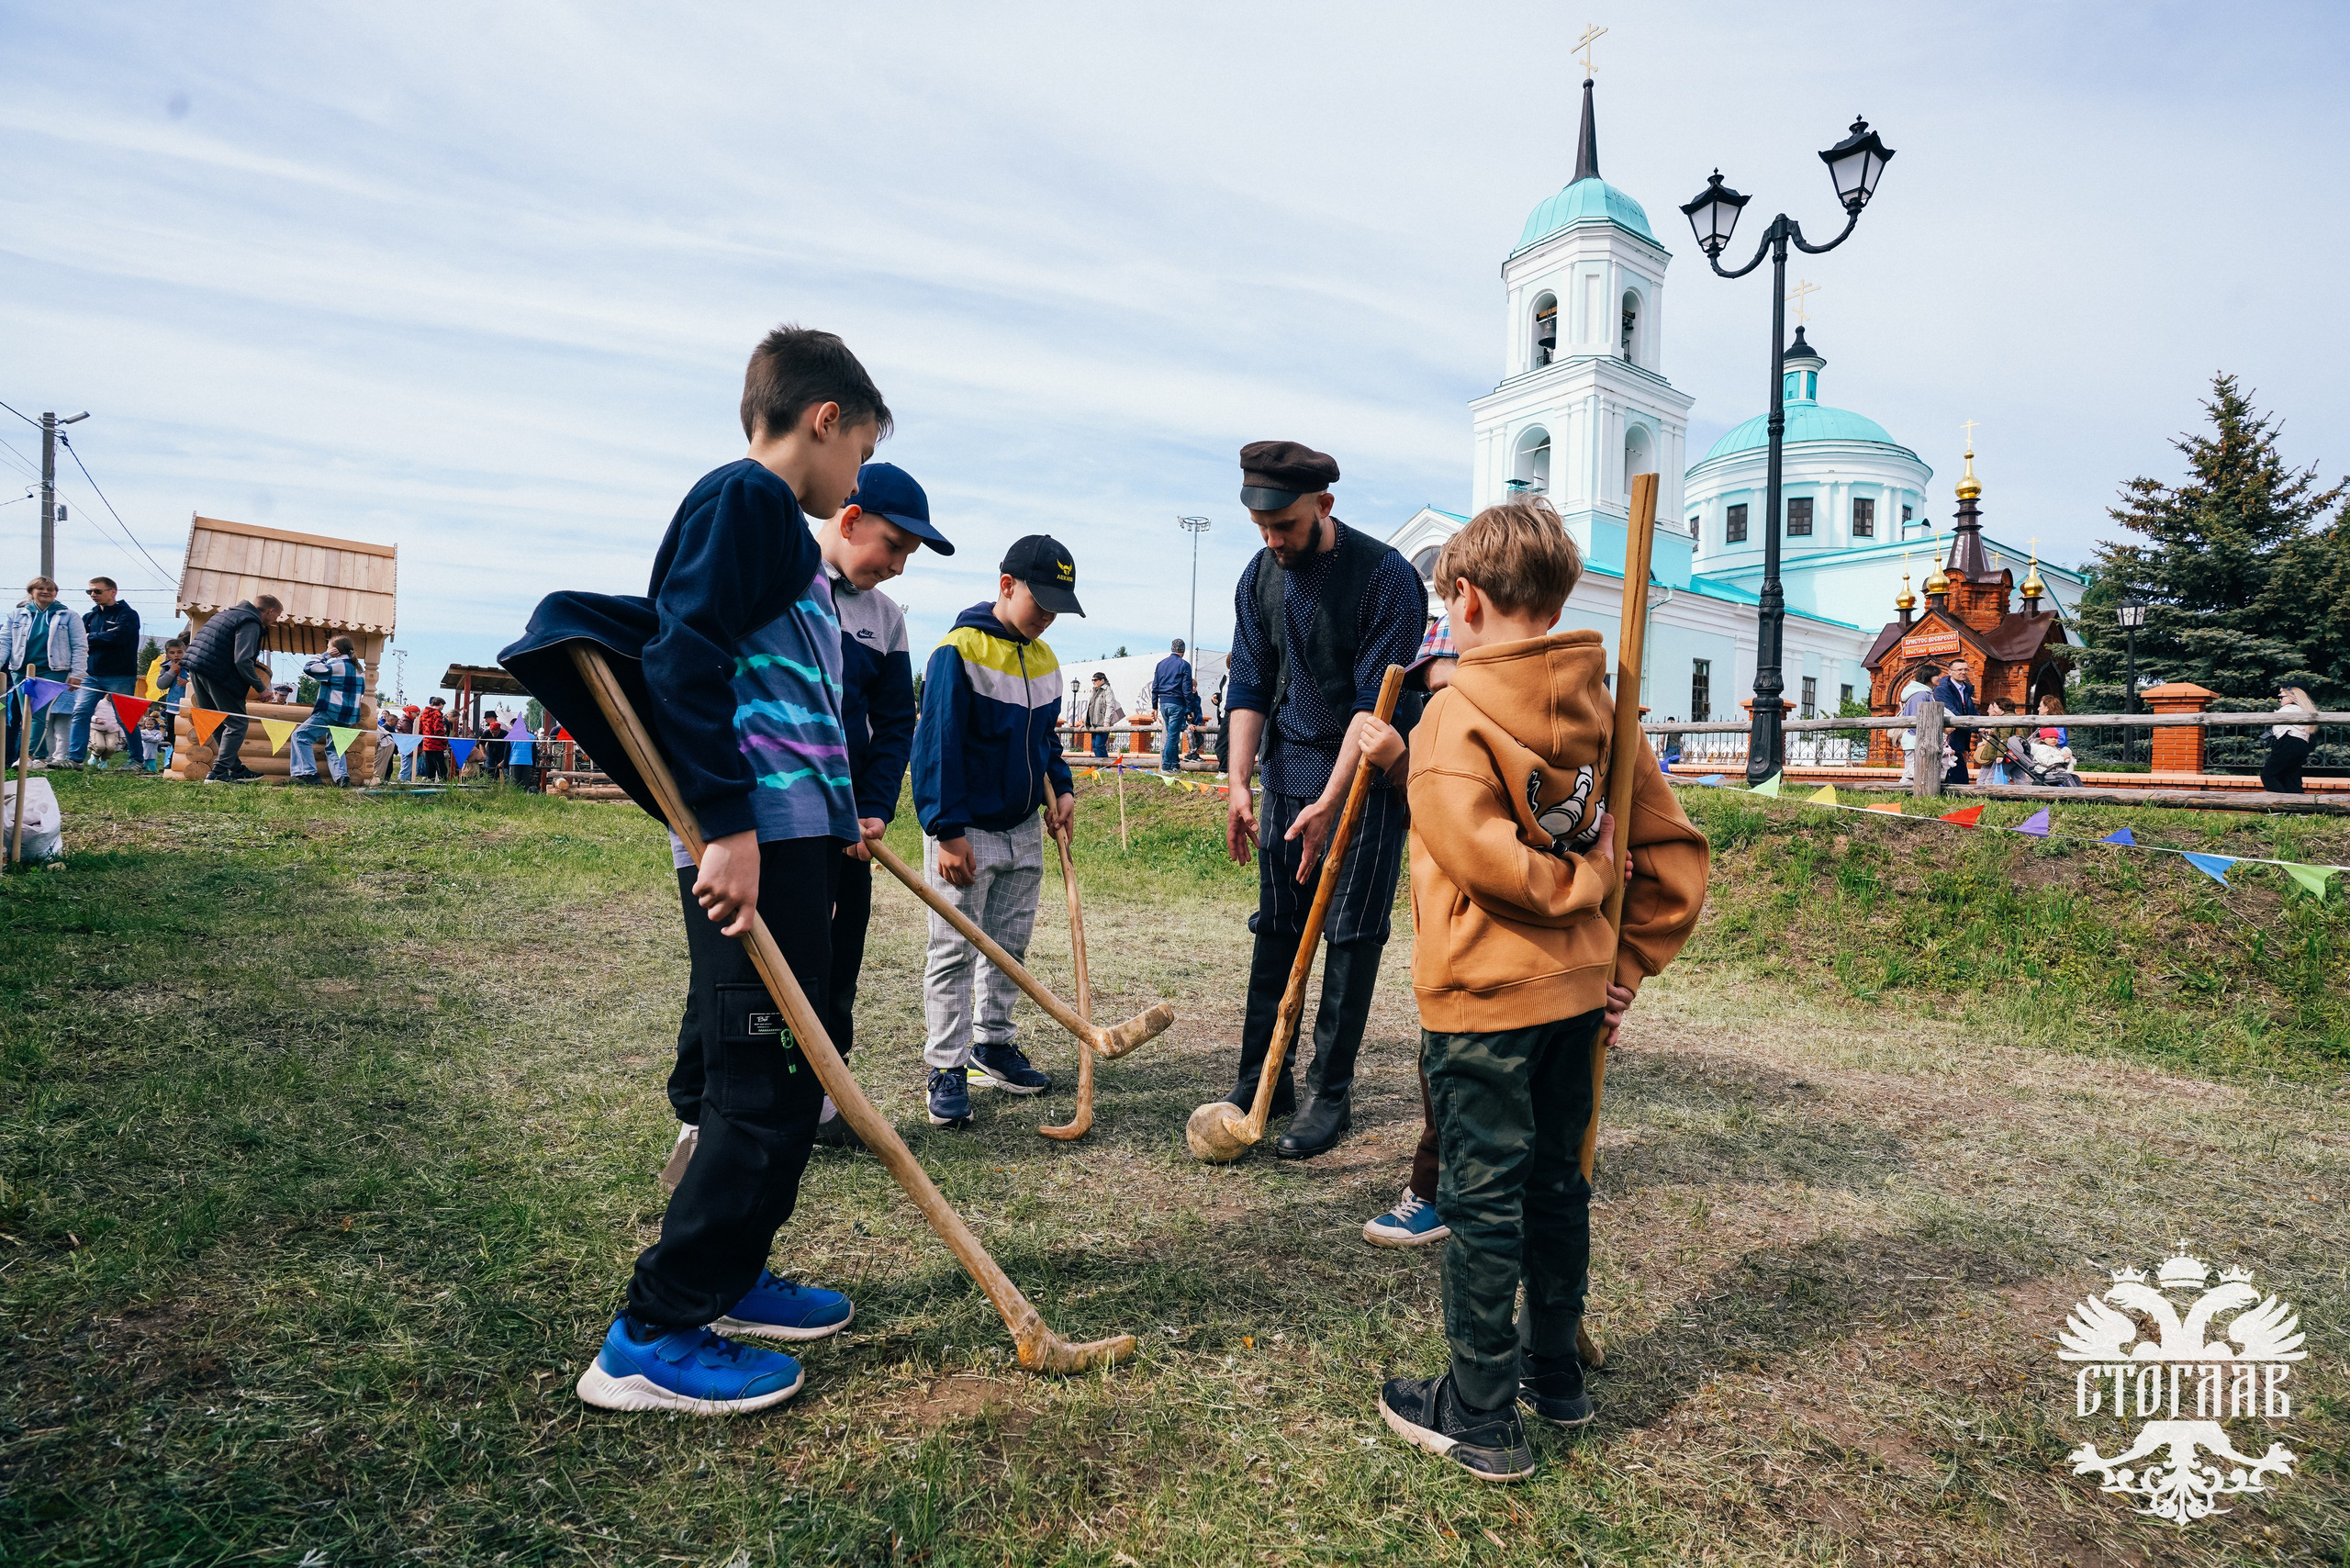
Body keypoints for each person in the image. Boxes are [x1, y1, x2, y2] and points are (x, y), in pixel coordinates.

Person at [506, 324, 888, 1416]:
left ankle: (734, 1277)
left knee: (795, 1072)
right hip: (749, 843)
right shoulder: (748, 501)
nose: (856, 476)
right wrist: (725, 826)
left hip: (798, 838)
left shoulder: (786, 536)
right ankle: (654, 1332)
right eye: (859, 453)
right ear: (826, 420)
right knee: (758, 1085)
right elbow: (682, 653)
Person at [1351, 498, 1707, 1481]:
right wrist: (1622, 962)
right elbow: (1673, 855)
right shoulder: (1609, 705)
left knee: (1483, 1196)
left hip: (1483, 1005)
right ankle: (1554, 1372)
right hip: (1577, 1001)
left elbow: (1489, 863)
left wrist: (1585, 880)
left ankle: (1477, 1410)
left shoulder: (1450, 717)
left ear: (1462, 599)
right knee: (1558, 1183)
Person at [662, 460, 950, 1175]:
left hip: (845, 826)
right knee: (738, 967)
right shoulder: (783, 583)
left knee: (832, 958)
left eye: (909, 556)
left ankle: (825, 1089)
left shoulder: (886, 620)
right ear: (849, 521)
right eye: (892, 546)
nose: (897, 567)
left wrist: (874, 809)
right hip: (772, 817)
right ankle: (701, 1096)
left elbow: (893, 723)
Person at [1221, 440, 1425, 1160]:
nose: (1274, 540)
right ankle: (1260, 1081)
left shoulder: (1387, 580)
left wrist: (1335, 802)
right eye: (1262, 528)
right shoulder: (1259, 576)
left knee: (1350, 932)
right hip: (1288, 772)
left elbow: (1376, 714)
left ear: (1324, 507)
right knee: (1277, 925)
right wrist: (1242, 781)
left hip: (1365, 781)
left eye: (1286, 526)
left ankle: (1327, 1096)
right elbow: (1249, 680)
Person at [910, 534, 1081, 1127]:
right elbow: (936, 747)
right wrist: (946, 830)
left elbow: (1046, 744)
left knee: (1009, 948)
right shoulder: (959, 652)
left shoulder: (1047, 662)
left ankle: (993, 1044)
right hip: (967, 831)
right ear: (1007, 586)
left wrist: (1063, 791)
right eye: (1042, 604)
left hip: (1024, 829)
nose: (1048, 618)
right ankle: (947, 1065)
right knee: (955, 949)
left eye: (1060, 608)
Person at [181, 595, 282, 783]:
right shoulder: (251, 622)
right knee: (237, 723)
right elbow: (243, 660)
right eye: (276, 616)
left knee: (216, 720)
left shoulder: (226, 614)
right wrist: (261, 688)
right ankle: (218, 772)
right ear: (270, 611)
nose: (274, 621)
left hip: (197, 668)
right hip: (218, 672)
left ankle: (235, 769)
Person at [3, 577, 87, 767]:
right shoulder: (15, 615)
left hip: (54, 670)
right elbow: (5, 643)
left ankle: (28, 757)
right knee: (27, 713)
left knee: (37, 711)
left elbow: (80, 646)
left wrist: (77, 673)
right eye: (40, 588)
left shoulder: (69, 616)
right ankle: (41, 757)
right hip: (20, 670)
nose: (46, 592)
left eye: (51, 589)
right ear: (31, 592)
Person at [66, 577, 142, 770]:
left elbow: (118, 637)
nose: (93, 595)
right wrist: (98, 638)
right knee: (80, 713)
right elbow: (77, 640)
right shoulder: (89, 617)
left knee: (125, 718)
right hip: (90, 674)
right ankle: (75, 759)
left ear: (112, 592)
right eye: (89, 592)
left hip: (120, 675)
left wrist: (90, 637)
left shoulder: (128, 615)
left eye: (97, 591)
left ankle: (137, 760)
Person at [289, 635, 365, 787]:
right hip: (349, 716)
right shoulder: (359, 670)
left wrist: (326, 655)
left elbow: (309, 668)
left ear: (335, 649)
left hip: (330, 710)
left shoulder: (335, 664)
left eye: (329, 647)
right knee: (335, 747)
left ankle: (307, 773)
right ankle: (342, 778)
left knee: (300, 736)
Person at [1932, 657, 1980, 784]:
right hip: (1949, 734)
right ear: (1950, 672)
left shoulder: (1966, 689)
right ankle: (1957, 793)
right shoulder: (1943, 689)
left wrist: (1983, 724)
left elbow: (1971, 710)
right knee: (1953, 767)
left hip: (1961, 734)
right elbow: (1951, 711)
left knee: (1956, 765)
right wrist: (1975, 727)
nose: (1963, 672)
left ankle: (1957, 793)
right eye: (1959, 670)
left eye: (1965, 669)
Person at [2264, 685, 2319, 794]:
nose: (2279, 699)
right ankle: (2298, 808)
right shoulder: (2303, 710)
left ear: (2292, 697)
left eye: (2281, 696)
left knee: (2268, 775)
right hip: (2301, 746)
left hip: (2288, 743)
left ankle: (2281, 806)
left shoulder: (2289, 709)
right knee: (2291, 778)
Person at [1152, 637, 1192, 773]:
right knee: (1172, 737)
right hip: (1177, 703)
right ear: (1183, 651)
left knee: (1172, 735)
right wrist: (1190, 708)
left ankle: (1175, 765)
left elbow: (1155, 687)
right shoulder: (1184, 665)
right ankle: (1166, 766)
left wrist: (1154, 707)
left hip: (1163, 703)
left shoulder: (1160, 664)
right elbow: (1187, 689)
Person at [1081, 670, 1120, 758]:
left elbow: (1110, 706)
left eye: (1095, 680)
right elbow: (1090, 708)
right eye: (1092, 680)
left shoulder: (1107, 690)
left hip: (1102, 723)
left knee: (1099, 745)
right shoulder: (1094, 691)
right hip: (1094, 724)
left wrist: (1107, 722)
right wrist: (1084, 722)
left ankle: (1106, 766)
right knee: (1095, 746)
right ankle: (1100, 766)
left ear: (1102, 681)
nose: (1093, 682)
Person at [416, 696, 452, 780]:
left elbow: (420, 728)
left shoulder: (424, 713)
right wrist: (444, 741)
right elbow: (438, 730)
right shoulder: (437, 714)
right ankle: (443, 782)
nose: (443, 708)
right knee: (440, 765)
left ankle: (430, 781)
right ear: (440, 704)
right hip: (436, 743)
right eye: (443, 706)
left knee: (430, 764)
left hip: (426, 742)